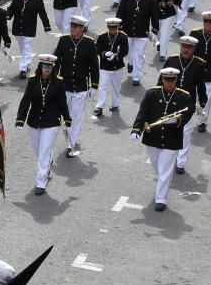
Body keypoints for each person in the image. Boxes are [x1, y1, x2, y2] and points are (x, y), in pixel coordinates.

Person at [130, 67, 194, 211]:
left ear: (176, 80)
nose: (169, 83)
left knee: (165, 170)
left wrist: (177, 121)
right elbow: (143, 113)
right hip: (152, 138)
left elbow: (188, 113)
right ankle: (163, 184)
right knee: (158, 168)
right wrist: (136, 129)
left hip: (171, 140)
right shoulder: (152, 93)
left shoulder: (184, 96)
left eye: (172, 80)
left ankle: (161, 199)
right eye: (166, 80)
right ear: (162, 79)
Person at [16, 55, 72, 195]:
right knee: (38, 150)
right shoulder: (33, 81)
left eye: (49, 67)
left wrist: (67, 118)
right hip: (34, 121)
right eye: (44, 66)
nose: (47, 69)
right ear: (40, 67)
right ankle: (47, 163)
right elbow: (26, 100)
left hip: (51, 122)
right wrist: (20, 119)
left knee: (44, 151)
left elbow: (62, 102)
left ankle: (41, 182)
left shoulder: (58, 83)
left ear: (53, 68)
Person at [54, 15, 99, 156]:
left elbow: (94, 66)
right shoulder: (63, 40)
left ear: (82, 28)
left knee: (76, 117)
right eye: (72, 26)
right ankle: (67, 138)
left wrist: (94, 85)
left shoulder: (89, 43)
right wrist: (53, 81)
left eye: (75, 27)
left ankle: (71, 143)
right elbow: (57, 62)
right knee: (62, 116)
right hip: (64, 86)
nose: (72, 28)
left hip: (80, 87)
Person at [164, 37, 208, 173]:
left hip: (187, 105)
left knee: (185, 133)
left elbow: (201, 85)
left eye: (189, 47)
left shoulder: (199, 64)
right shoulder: (172, 60)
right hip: (170, 102)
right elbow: (161, 81)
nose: (185, 49)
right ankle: (169, 158)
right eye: (183, 46)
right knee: (168, 131)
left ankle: (181, 163)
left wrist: (202, 102)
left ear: (194, 49)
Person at [6, 0, 51, 78]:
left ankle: (23, 69)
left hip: (29, 28)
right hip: (18, 28)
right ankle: (26, 62)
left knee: (27, 48)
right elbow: (11, 8)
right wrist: (7, 16)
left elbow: (42, 13)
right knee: (23, 48)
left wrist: (46, 26)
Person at [117, 0, 159, 85]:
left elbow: (154, 16)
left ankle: (137, 76)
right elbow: (120, 13)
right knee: (127, 52)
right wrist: (118, 27)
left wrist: (154, 30)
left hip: (142, 33)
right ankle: (130, 63)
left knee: (139, 55)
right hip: (127, 31)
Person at [94, 17, 130, 117]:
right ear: (108, 27)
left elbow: (125, 50)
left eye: (114, 28)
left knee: (116, 86)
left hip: (117, 66)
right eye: (110, 28)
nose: (112, 30)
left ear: (118, 27)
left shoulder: (123, 37)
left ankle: (115, 104)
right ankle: (99, 107)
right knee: (103, 86)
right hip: (105, 66)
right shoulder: (102, 36)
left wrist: (116, 56)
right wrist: (104, 54)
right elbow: (97, 49)